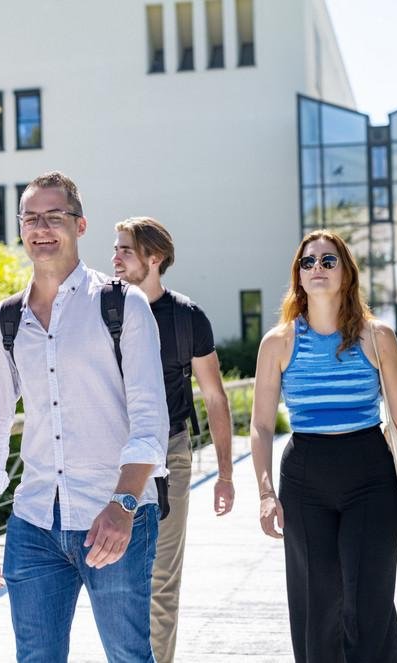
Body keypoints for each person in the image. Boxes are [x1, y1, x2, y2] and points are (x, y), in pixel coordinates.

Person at [0, 171, 169, 663]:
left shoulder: (122, 304)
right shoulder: (4, 319)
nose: (42, 228)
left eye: (54, 217)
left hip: (114, 516)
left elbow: (150, 418)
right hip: (34, 522)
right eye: (31, 218)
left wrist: (123, 507)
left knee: (128, 657)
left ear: (80, 225)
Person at [249, 229, 397, 662]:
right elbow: (259, 424)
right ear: (298, 277)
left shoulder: (376, 336)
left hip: (369, 473)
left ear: (347, 274)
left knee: (369, 601)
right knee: (317, 605)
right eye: (308, 263)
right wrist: (266, 494)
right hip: (305, 475)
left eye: (329, 261)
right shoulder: (278, 342)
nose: (318, 269)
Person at [112, 216, 235, 663]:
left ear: (155, 258)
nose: (115, 258)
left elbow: (216, 399)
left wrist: (225, 474)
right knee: (112, 574)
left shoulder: (187, 318)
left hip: (170, 452)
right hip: (110, 452)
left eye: (126, 249)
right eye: (117, 248)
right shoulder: (104, 309)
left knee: (162, 575)